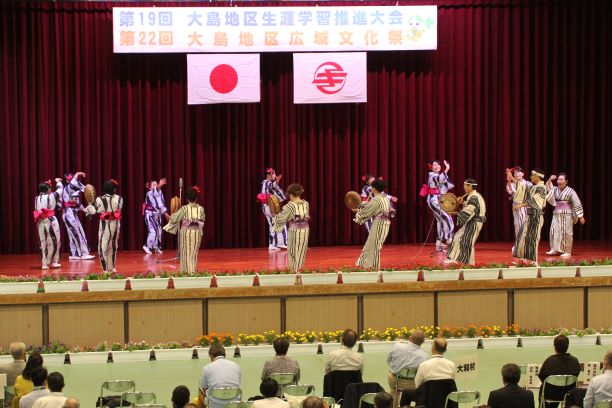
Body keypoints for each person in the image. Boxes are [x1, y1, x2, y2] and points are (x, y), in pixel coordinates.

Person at [507, 168, 548, 264]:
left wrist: (520, 205)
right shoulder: (534, 187)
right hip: (530, 216)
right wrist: (512, 177)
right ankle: (526, 259)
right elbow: (522, 187)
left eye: (532, 175)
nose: (530, 177)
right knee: (523, 236)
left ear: (537, 176)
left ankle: (533, 261)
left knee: (533, 238)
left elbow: (534, 200)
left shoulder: (542, 188)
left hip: (536, 216)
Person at [163, 186, 205, 274]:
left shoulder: (184, 209)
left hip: (186, 234)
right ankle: (192, 271)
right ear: (196, 198)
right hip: (197, 233)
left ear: (187, 198)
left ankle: (187, 273)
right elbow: (203, 219)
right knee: (193, 254)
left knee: (186, 254)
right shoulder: (201, 209)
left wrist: (171, 213)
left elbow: (174, 219)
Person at [445, 179, 486, 265]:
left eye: (465, 185)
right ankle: (454, 258)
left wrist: (454, 213)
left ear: (470, 186)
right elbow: (470, 207)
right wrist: (463, 202)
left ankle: (469, 263)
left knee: (467, 241)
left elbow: (469, 211)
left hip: (475, 222)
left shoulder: (474, 197)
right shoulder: (473, 196)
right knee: (458, 237)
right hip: (472, 221)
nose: (464, 187)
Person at [55, 172, 94, 260]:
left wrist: (86, 212)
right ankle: (83, 254)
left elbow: (77, 204)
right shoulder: (68, 188)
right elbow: (73, 183)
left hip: (70, 214)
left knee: (73, 233)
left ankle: (74, 253)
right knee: (77, 233)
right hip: (69, 214)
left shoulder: (71, 192)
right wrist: (77, 174)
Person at [86, 179, 123, 273]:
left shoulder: (99, 199)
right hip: (115, 224)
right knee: (113, 245)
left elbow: (94, 211)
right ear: (114, 190)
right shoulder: (119, 198)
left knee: (103, 246)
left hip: (105, 224)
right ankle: (112, 267)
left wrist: (90, 204)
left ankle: (105, 269)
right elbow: (119, 208)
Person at [354, 179, 392, 269]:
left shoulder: (377, 199)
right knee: (373, 244)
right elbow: (371, 206)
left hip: (379, 224)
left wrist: (358, 215)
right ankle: (370, 265)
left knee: (374, 245)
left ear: (374, 188)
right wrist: (361, 206)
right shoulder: (383, 198)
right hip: (384, 223)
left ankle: (373, 266)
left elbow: (368, 212)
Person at [271, 183, 310, 272]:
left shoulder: (290, 206)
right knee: (301, 251)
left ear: (291, 194)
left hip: (295, 231)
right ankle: (298, 270)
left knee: (293, 251)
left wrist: (274, 215)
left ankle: (295, 271)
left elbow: (281, 219)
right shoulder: (306, 204)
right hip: (305, 230)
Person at [545, 173, 585, 258]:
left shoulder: (571, 191)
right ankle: (554, 249)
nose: (559, 181)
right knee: (553, 231)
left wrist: (580, 216)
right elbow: (548, 187)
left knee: (566, 233)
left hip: (567, 214)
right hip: (556, 214)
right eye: (558, 179)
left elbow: (576, 203)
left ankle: (567, 251)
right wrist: (549, 179)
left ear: (566, 181)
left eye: (561, 179)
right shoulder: (555, 189)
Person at [387, 330, 428, 406]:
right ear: (423, 342)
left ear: (410, 338)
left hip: (395, 381)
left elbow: (388, 361)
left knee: (393, 388)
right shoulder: (424, 356)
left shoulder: (397, 346)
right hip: (412, 384)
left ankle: (393, 404)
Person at [538, 335, 581, 407]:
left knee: (544, 388)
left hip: (551, 394)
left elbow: (542, 376)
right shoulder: (574, 361)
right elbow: (576, 375)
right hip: (569, 394)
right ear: (567, 346)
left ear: (555, 347)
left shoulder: (549, 361)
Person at [424, 160, 454, 252]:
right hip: (433, 199)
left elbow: (447, 184)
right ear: (432, 167)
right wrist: (447, 169)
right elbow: (439, 179)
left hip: (437, 198)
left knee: (440, 220)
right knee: (446, 217)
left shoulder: (438, 175)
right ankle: (449, 239)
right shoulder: (432, 175)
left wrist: (445, 172)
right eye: (434, 165)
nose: (437, 166)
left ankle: (438, 244)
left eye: (438, 165)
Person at [34, 181, 61, 270]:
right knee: (55, 240)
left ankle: (44, 263)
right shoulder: (50, 196)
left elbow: (36, 210)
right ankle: (54, 261)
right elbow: (60, 191)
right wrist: (59, 182)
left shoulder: (36, 198)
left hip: (40, 220)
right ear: (47, 189)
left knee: (43, 241)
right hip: (50, 219)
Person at [259, 168, 288, 251]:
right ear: (270, 175)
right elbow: (272, 186)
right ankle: (282, 243)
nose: (273, 175)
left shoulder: (264, 183)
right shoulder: (267, 183)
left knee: (272, 224)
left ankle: (272, 244)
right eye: (272, 174)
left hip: (266, 207)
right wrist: (277, 181)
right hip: (269, 207)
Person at [143, 178, 170, 254]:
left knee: (158, 231)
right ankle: (146, 246)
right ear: (150, 187)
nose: (155, 186)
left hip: (157, 215)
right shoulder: (149, 193)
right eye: (153, 185)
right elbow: (156, 191)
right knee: (153, 231)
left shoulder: (160, 193)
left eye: (156, 184)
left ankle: (155, 247)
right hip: (150, 214)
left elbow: (161, 205)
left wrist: (166, 214)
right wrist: (159, 185)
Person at [506, 166, 532, 240]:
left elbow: (523, 190)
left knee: (524, 223)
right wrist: (509, 181)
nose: (517, 174)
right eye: (515, 173)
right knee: (517, 224)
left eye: (518, 172)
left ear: (523, 174)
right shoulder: (513, 184)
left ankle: (524, 243)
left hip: (524, 205)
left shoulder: (528, 183)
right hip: (516, 205)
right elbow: (511, 191)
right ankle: (518, 243)